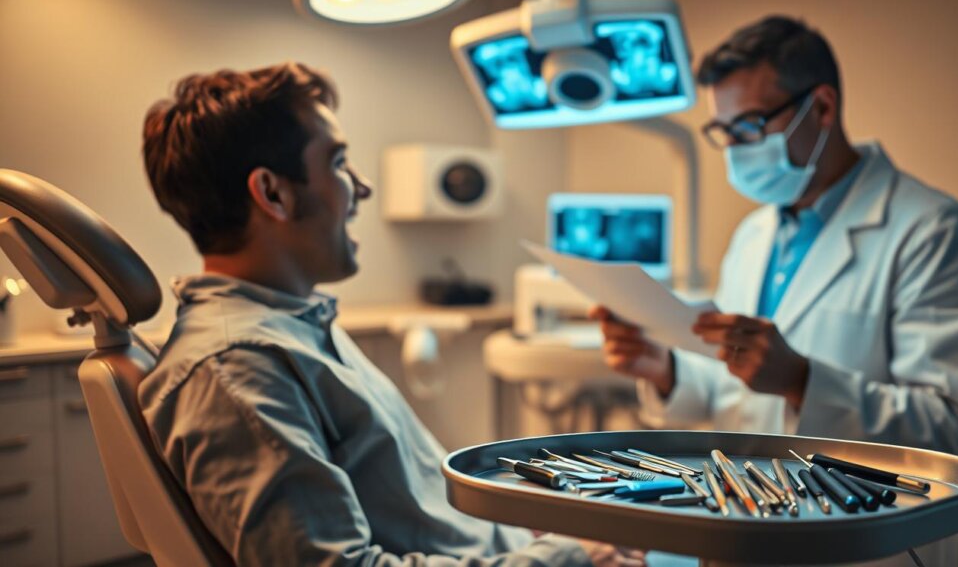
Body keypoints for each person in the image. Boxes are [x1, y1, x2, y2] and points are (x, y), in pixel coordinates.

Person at [139, 62, 644, 567]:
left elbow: (412, 504)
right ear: (273, 193)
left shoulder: (294, 326)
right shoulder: (237, 369)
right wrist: (569, 558)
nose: (361, 188)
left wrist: (536, 528)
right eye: (338, 163)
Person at [592, 16, 958, 564]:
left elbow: (957, 437)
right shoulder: (753, 235)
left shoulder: (938, 233)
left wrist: (802, 382)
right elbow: (737, 393)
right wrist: (666, 371)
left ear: (823, 108)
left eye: (749, 126)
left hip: (863, 544)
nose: (736, 150)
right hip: (743, 525)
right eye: (724, 133)